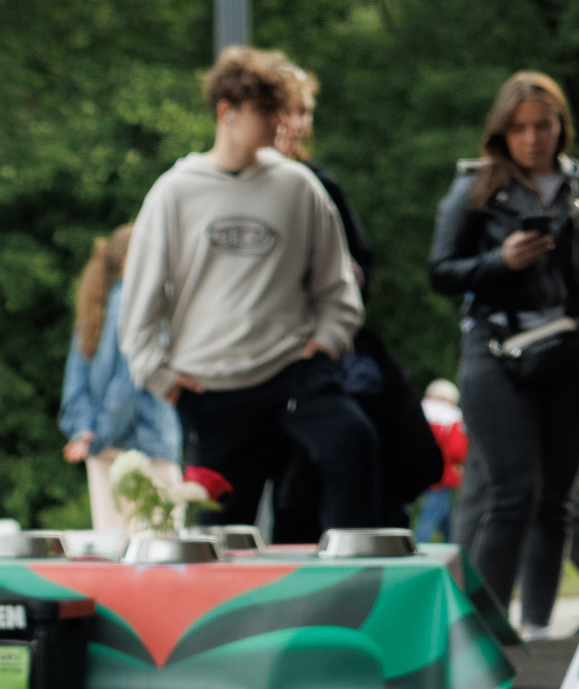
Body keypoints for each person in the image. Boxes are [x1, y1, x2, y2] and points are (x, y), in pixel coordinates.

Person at [119, 46, 370, 530]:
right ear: (226, 112)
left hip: (292, 373)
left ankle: (352, 579)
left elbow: (338, 288)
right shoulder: (175, 192)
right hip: (211, 388)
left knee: (352, 443)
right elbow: (140, 307)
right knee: (218, 529)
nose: (279, 122)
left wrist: (324, 345)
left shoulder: (298, 187)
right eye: (265, 111)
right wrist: (165, 381)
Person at [428, 71, 579, 639]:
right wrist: (500, 261)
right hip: (496, 351)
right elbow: (441, 272)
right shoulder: (476, 190)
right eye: (520, 127)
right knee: (511, 491)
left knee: (556, 498)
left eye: (543, 126)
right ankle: (479, 634)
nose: (532, 138)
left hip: (571, 356)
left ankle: (534, 632)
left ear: (561, 128)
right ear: (502, 131)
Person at [269, 67, 442, 539]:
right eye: (288, 110)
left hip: (317, 360)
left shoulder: (319, 185)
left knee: (331, 467)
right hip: (249, 361)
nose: (298, 123)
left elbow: (357, 274)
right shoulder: (226, 187)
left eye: (305, 112)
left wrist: (325, 333)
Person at [58, 224, 183, 534]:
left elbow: (75, 384)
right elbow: (130, 381)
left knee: (117, 553)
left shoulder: (94, 307)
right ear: (131, 260)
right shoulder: (143, 305)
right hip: (146, 446)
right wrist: (101, 433)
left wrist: (85, 430)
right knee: (162, 553)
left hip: (102, 451)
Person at [417, 379, 466, 544]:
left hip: (416, 470)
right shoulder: (451, 415)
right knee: (429, 519)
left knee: (445, 517)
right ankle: (418, 546)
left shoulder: (417, 409)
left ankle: (454, 546)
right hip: (442, 473)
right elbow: (457, 450)